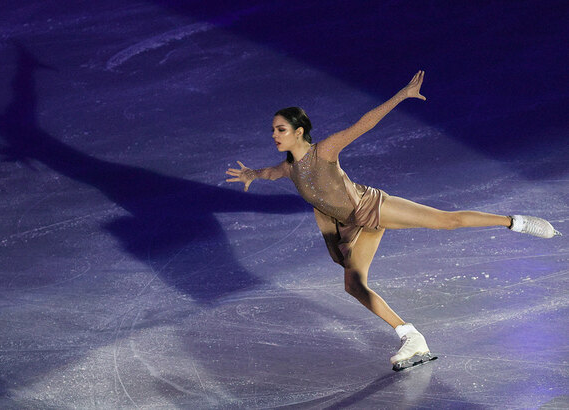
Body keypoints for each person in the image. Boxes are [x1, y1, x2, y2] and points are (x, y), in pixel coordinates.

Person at [225, 71, 561, 371]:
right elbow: (270, 173)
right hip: (353, 227)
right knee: (353, 285)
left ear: (299, 132)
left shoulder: (323, 152)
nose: (274, 135)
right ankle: (411, 336)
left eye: (280, 129)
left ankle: (515, 221)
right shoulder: (289, 168)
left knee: (445, 221)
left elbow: (363, 125)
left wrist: (401, 95)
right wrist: (252, 174)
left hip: (372, 207)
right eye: (273, 130)